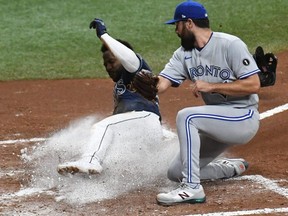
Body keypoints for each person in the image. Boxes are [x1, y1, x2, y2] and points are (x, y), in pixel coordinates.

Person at [156, 1, 261, 206]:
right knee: (175, 172)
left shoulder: (230, 44)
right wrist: (144, 81)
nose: (175, 31)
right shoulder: (183, 54)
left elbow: (254, 84)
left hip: (243, 117)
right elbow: (161, 84)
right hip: (217, 121)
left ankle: (192, 188)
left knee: (187, 116)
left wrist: (212, 86)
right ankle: (229, 168)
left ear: (188, 24)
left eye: (176, 25)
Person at [57, 18, 161, 175]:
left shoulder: (136, 68)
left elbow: (129, 57)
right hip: (140, 131)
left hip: (145, 120)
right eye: (105, 65)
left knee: (102, 126)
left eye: (112, 62)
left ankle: (90, 160)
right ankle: (93, 170)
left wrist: (104, 35)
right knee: (110, 146)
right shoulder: (120, 86)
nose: (108, 67)